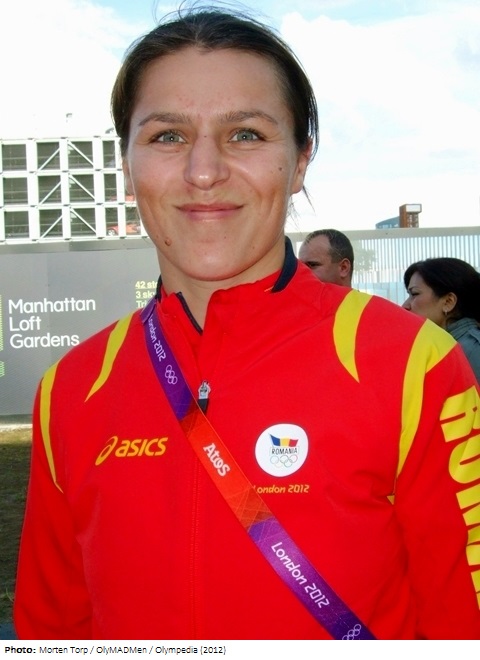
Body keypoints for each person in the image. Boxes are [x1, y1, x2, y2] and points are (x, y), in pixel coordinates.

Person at [14, 5, 480, 641]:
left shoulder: (411, 364)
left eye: (246, 134)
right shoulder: (72, 388)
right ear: (127, 163)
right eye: (167, 136)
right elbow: (53, 633)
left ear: (300, 160)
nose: (204, 171)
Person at [403, 257, 480, 382]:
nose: (405, 306)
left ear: (448, 302)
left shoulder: (473, 350)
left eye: (415, 294)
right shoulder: (443, 345)